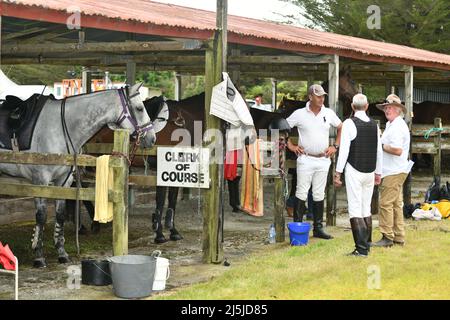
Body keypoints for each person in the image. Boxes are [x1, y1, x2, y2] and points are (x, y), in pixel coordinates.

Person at [286, 84, 342, 239]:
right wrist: (291, 145)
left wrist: (335, 146)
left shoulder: (328, 113)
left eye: (323, 96)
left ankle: (318, 228)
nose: (322, 98)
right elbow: (281, 127)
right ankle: (298, 227)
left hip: (323, 159)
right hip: (306, 158)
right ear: (310, 97)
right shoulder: (299, 114)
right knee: (301, 192)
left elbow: (341, 127)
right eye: (318, 96)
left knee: (318, 193)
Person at [334, 94, 382, 256]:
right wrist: (378, 172)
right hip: (370, 171)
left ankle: (361, 249)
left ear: (353, 107)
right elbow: (379, 151)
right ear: (367, 106)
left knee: (355, 209)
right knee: (365, 208)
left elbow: (344, 151)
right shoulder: (375, 125)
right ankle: (366, 244)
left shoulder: (349, 123)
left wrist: (337, 172)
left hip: (354, 169)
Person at [372, 94, 411, 247]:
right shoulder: (392, 124)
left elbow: (397, 150)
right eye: (385, 108)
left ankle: (387, 237)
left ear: (397, 109)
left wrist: (380, 146)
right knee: (395, 204)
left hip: (393, 171)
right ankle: (399, 237)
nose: (387, 110)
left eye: (390, 108)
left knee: (385, 204)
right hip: (396, 169)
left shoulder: (397, 126)